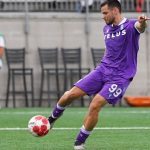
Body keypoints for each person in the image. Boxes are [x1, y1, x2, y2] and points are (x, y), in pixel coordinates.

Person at [48, 0, 147, 149]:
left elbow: (140, 27)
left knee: (95, 104)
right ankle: (50, 120)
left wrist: (142, 23)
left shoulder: (131, 26)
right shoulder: (106, 29)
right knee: (70, 95)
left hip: (120, 77)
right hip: (102, 70)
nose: (103, 16)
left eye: (105, 13)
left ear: (115, 11)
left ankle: (79, 142)